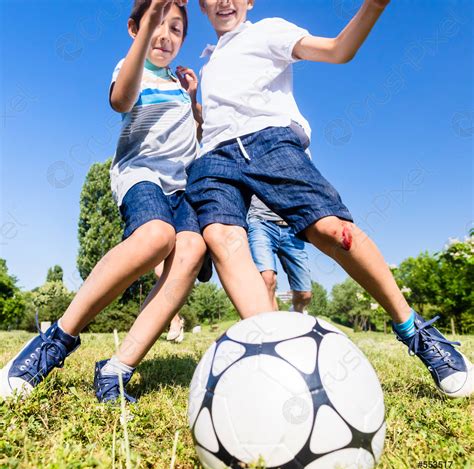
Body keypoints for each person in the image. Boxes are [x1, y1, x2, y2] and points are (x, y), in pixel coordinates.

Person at [185, 0, 473, 398]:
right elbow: (212, 121)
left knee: (332, 231)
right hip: (214, 154)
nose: (224, 2)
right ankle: (273, 357)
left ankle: (415, 330)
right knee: (221, 238)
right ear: (202, 6)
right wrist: (196, 101)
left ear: (249, 1)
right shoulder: (209, 63)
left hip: (268, 141)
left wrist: (373, 6)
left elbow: (339, 50)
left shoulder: (268, 31)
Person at [0, 0, 206, 403]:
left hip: (183, 185)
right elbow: (120, 100)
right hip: (141, 174)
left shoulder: (180, 88)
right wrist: (146, 33)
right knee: (156, 237)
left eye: (176, 29)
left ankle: (118, 368)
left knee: (191, 251)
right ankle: (54, 340)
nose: (165, 35)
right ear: (136, 28)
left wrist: (194, 98)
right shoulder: (132, 68)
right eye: (155, 25)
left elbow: (196, 137)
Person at [248, 196, 312, 313]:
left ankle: (296, 314)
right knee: (267, 279)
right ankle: (273, 325)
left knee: (304, 295)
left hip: (292, 228)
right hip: (261, 223)